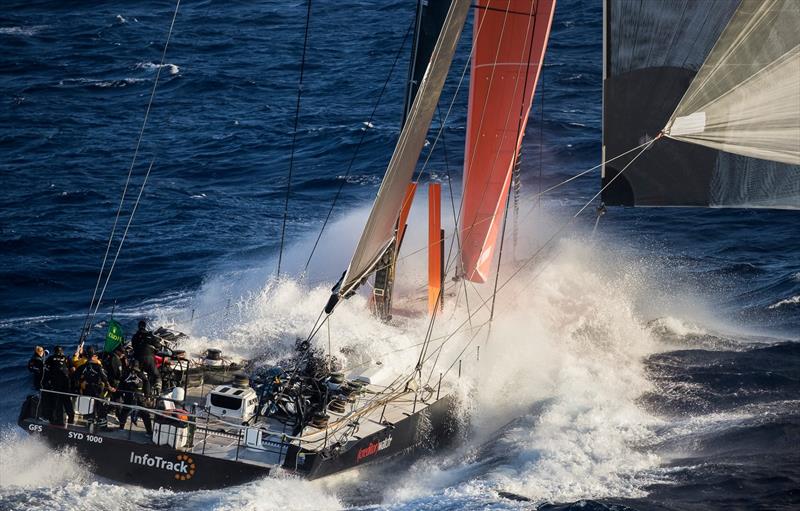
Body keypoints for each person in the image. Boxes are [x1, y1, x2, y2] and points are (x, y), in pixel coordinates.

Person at [77, 347, 115, 430]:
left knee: (89, 406)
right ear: (94, 356)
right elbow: (104, 378)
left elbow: (75, 376)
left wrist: (81, 383)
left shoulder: (83, 366)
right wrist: (109, 387)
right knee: (101, 407)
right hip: (97, 389)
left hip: (87, 389)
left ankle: (89, 423)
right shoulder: (98, 367)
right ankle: (102, 426)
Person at [117, 359, 152, 435]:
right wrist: (120, 394)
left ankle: (149, 431)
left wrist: (147, 395)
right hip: (130, 395)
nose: (133, 371)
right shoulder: (127, 374)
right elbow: (121, 385)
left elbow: (146, 383)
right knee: (125, 411)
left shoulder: (139, 374)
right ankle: (121, 426)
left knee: (144, 412)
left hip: (138, 396)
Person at [43, 346, 75, 426]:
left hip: (56, 383)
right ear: (62, 351)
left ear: (55, 352)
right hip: (66, 382)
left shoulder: (50, 358)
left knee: (58, 401)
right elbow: (73, 370)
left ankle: (59, 421)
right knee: (67, 400)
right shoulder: (67, 358)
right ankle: (71, 419)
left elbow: (45, 369)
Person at [131, 320, 161, 392]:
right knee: (156, 375)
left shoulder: (135, 336)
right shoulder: (150, 335)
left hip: (138, 360)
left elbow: (134, 347)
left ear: (138, 327)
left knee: (143, 378)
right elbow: (158, 345)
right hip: (149, 358)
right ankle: (158, 392)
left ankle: (143, 392)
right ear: (145, 327)